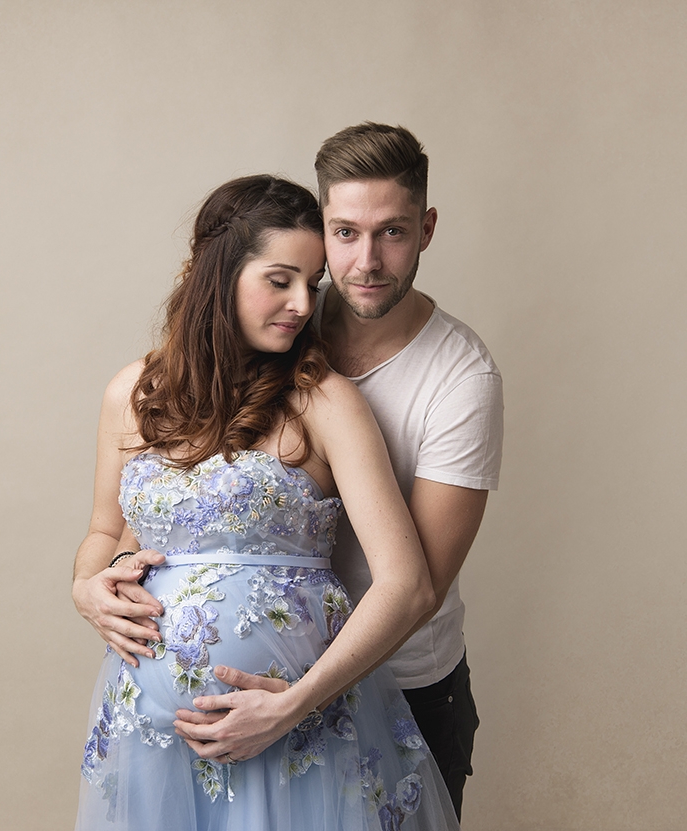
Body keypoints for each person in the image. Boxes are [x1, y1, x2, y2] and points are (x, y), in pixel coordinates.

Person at [73, 174, 461, 830]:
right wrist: (86, 585)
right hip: (151, 733)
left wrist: (293, 705)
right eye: (279, 280)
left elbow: (408, 582)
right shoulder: (132, 391)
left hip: (300, 733)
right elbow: (103, 530)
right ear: (213, 273)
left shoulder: (323, 400)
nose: (301, 304)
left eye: (312, 284)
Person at [172, 124, 504, 817]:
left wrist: (292, 703)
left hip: (401, 689)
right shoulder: (282, 317)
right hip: (264, 689)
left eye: (393, 233)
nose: (366, 261)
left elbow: (416, 592)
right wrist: (104, 567)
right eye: (345, 233)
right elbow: (194, 476)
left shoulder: (460, 379)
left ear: (427, 229)